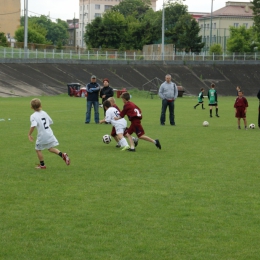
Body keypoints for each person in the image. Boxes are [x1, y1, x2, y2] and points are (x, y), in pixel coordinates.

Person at [28, 98, 70, 169]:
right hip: (49, 133)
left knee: (38, 149)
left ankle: (42, 165)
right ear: (40, 105)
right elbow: (50, 122)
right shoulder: (44, 113)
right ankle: (62, 155)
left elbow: (33, 126)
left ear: (31, 107)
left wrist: (29, 134)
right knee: (50, 148)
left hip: (42, 135)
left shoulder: (33, 116)